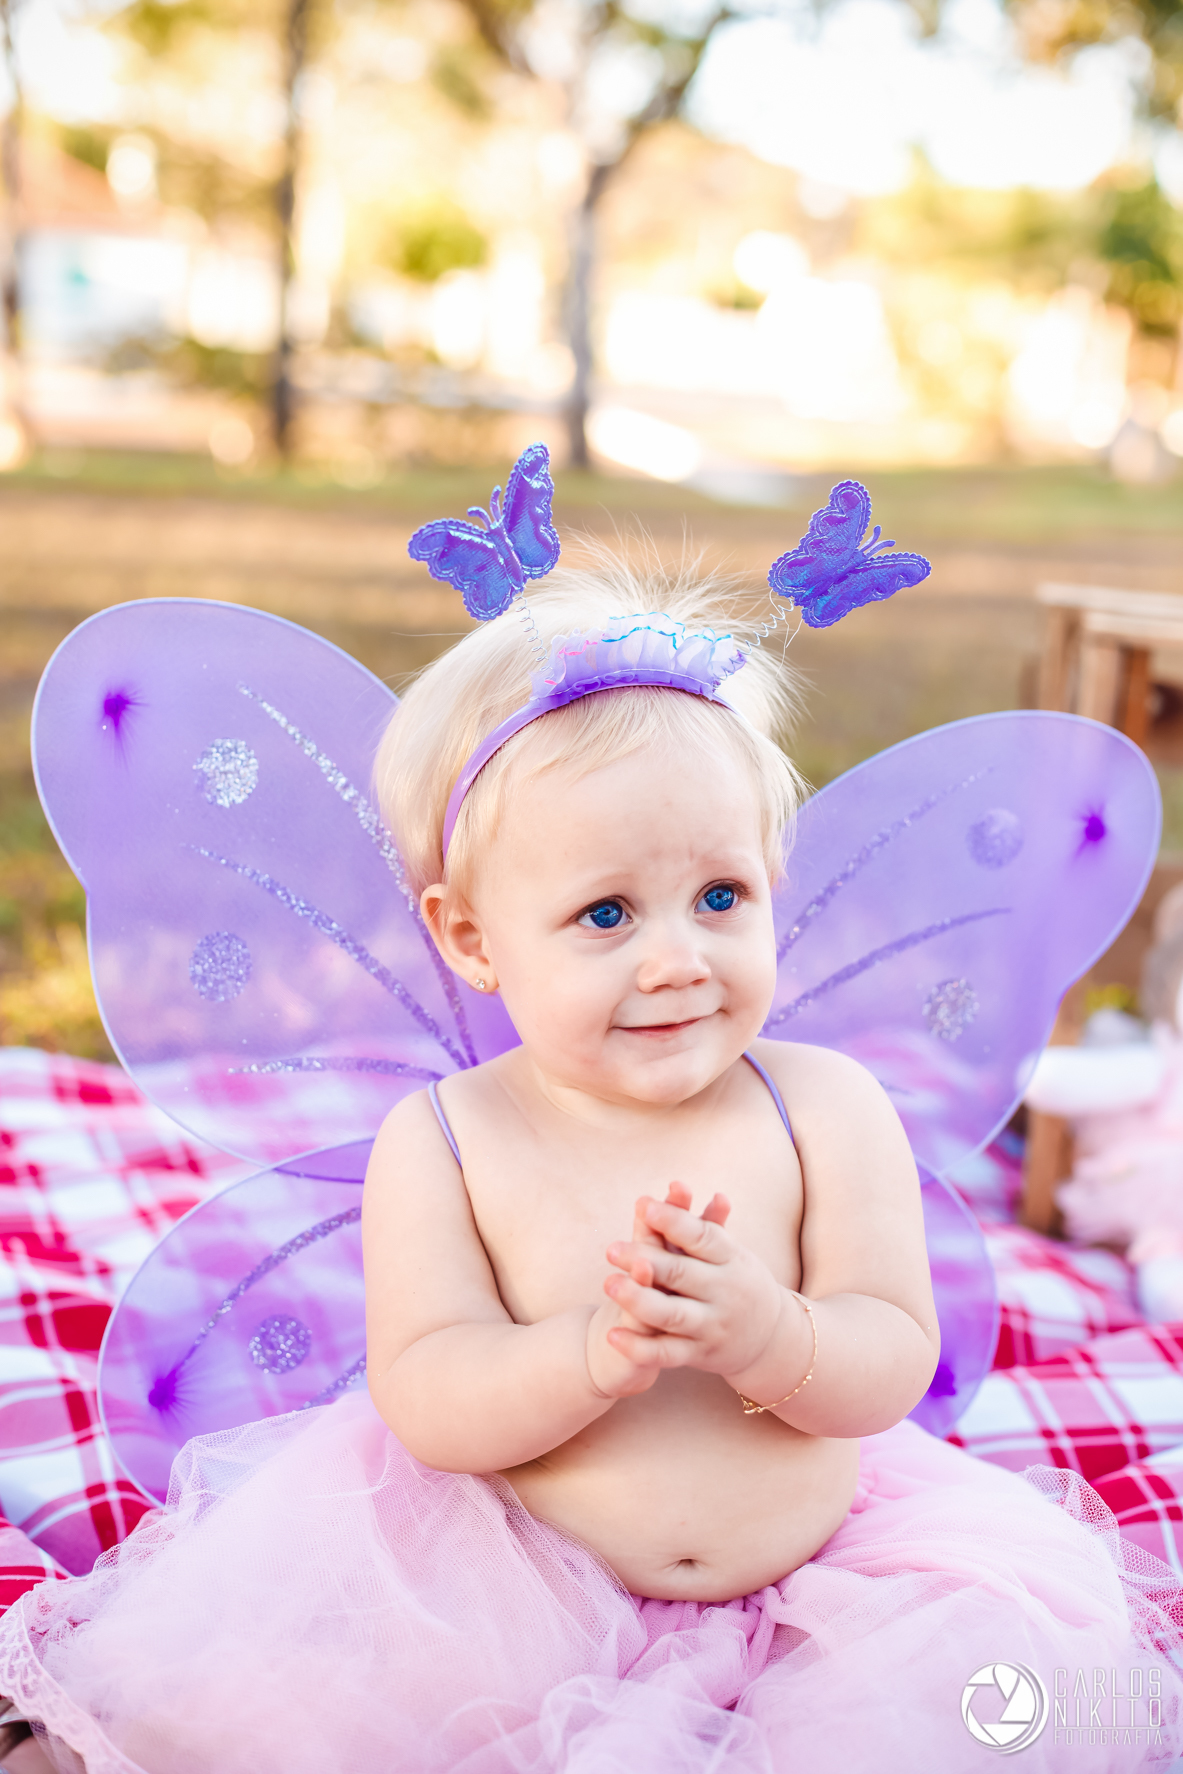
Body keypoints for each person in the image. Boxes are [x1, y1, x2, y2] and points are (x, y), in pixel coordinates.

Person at [0, 564, 1181, 1774]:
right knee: (267, 1706)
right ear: (471, 938)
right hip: (506, 1574)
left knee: (987, 1704)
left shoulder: (827, 1107)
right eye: (606, 915)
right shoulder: (451, 1136)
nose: (675, 959)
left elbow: (890, 1360)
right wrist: (590, 1355)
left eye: (720, 896)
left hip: (833, 1586)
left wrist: (767, 1332)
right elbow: (429, 1395)